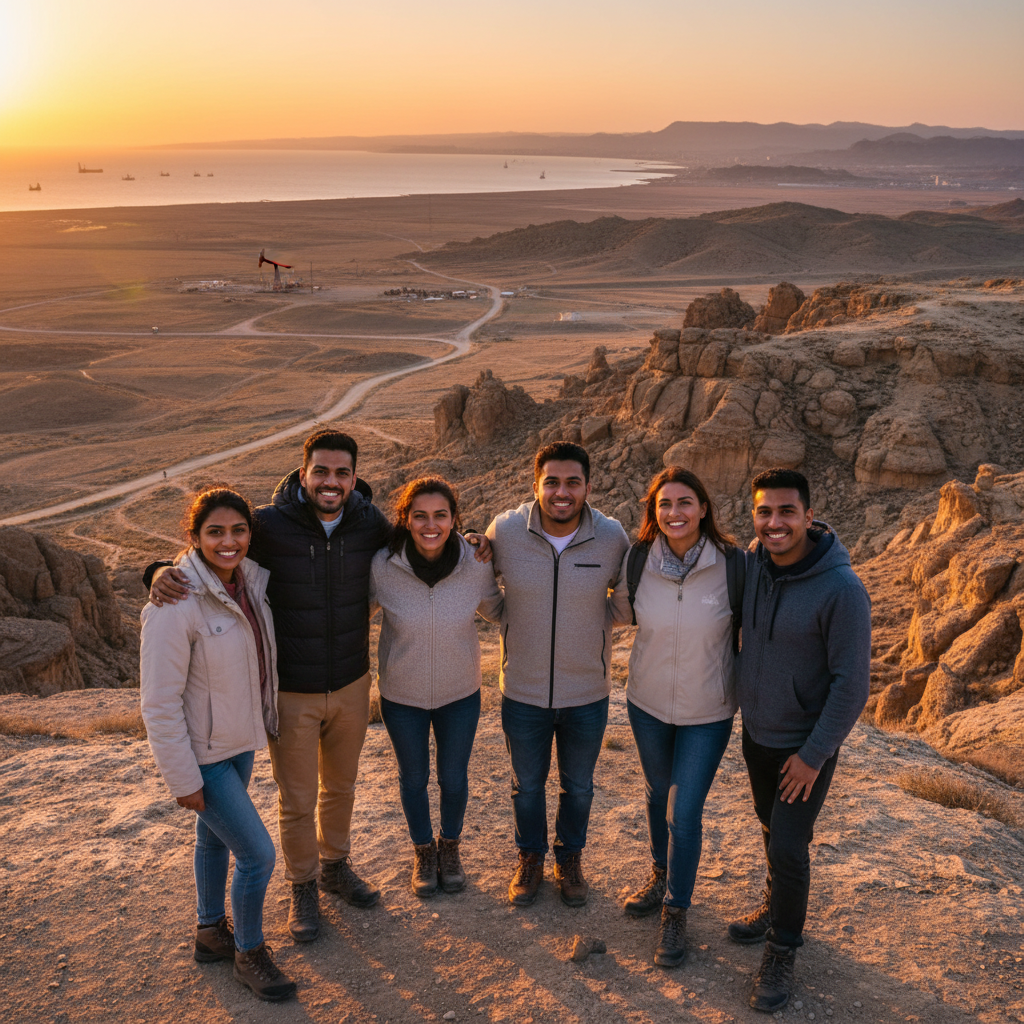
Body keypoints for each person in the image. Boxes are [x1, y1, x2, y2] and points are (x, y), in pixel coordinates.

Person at [147, 431, 389, 943]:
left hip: (351, 681)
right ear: (302, 473)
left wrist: (475, 537)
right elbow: (214, 546)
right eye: (320, 471)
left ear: (353, 478)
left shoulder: (370, 523)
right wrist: (158, 569)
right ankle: (302, 885)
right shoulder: (269, 524)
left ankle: (335, 867)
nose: (331, 482)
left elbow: (423, 541)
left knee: (341, 787)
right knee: (297, 797)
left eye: (341, 473)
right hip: (289, 691)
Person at [140, 488, 295, 1002]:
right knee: (257, 855)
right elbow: (159, 704)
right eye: (215, 532)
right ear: (194, 537)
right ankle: (249, 953)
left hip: (238, 740)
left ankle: (210, 932)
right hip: (204, 755)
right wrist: (181, 779)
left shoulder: (247, 581)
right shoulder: (175, 602)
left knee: (215, 839)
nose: (229, 541)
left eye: (238, 530)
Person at [731, 468, 870, 1012]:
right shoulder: (755, 565)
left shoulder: (841, 589)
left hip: (803, 749)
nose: (775, 523)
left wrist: (813, 757)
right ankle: (776, 904)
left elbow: (852, 685)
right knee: (770, 830)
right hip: (757, 735)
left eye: (787, 512)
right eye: (764, 512)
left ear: (809, 516)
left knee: (789, 845)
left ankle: (783, 946)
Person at [610, 467, 744, 969]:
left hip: (707, 713)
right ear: (654, 512)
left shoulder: (734, 564)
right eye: (664, 505)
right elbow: (614, 613)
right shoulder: (638, 559)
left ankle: (675, 910)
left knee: (683, 812)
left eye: (685, 502)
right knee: (655, 794)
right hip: (646, 706)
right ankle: (660, 872)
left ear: (704, 508)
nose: (675, 513)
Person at [485, 441, 629, 907]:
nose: (561, 492)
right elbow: (482, 587)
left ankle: (569, 858)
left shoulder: (612, 538)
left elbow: (623, 604)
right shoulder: (506, 530)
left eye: (572, 482)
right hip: (522, 689)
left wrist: (593, 624)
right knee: (526, 785)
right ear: (536, 485)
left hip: (587, 690)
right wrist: (508, 615)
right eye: (552, 482)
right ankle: (529, 857)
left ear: (588, 486)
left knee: (579, 786)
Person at [369, 477, 503, 897]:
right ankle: (423, 851)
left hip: (460, 693)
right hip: (401, 695)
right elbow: (351, 611)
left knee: (454, 778)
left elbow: (497, 609)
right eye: (420, 516)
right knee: (413, 778)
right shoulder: (382, 566)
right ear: (406, 520)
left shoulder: (475, 562)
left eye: (440, 515)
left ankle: (450, 847)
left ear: (454, 519)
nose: (431, 525)